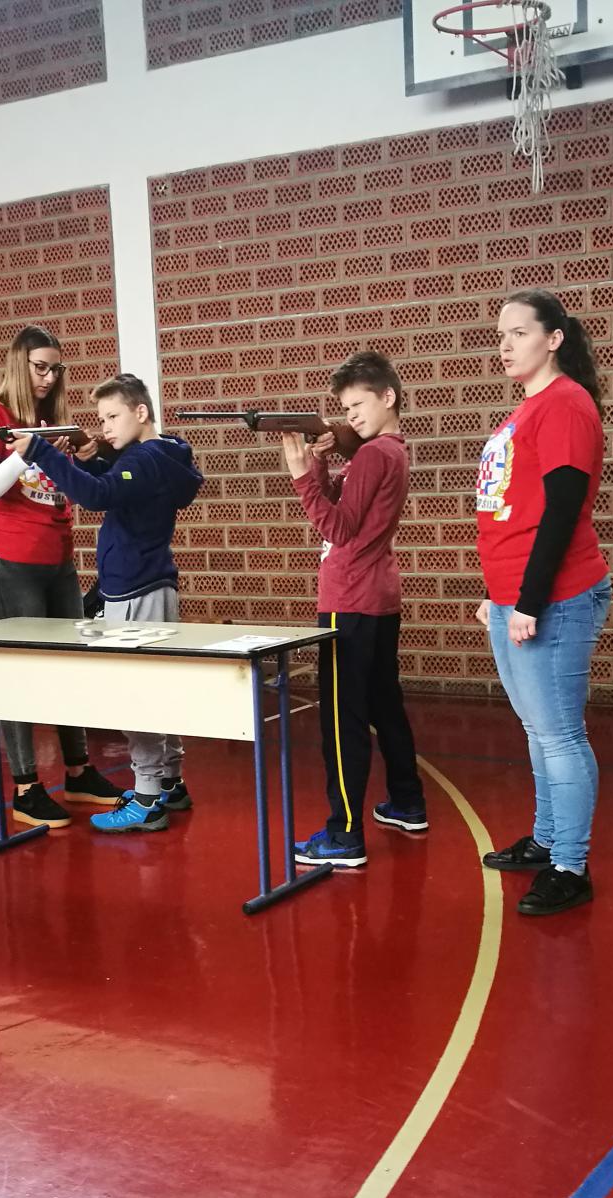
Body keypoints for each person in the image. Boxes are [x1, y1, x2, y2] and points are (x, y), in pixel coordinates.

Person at [9, 374, 202, 833]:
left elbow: (99, 495)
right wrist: (90, 460)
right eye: (101, 418)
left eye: (113, 416)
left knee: (136, 698)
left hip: (136, 592)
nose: (106, 426)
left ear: (141, 412)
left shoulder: (145, 458)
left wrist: (41, 452)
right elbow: (119, 487)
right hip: (149, 585)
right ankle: (170, 782)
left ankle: (148, 797)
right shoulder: (163, 455)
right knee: (156, 690)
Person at [474, 290, 612, 916]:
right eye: (501, 335)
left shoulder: (565, 404)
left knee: (560, 736)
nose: (505, 345)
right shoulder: (527, 409)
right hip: (515, 596)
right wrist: (499, 594)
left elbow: (561, 509)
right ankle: (548, 839)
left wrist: (529, 600)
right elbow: (516, 510)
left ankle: (570, 866)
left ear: (553, 338)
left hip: (555, 596)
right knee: (538, 731)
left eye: (519, 332)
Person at [0, 326, 123, 827]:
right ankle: (26, 786)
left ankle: (77, 771)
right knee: (22, 672)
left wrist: (83, 460)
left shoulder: (51, 419)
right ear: (19, 363)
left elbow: (67, 488)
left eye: (56, 368)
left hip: (59, 558)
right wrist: (25, 450)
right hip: (14, 562)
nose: (49, 377)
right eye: (40, 367)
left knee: (69, 666)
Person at [281, 351, 426, 869]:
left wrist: (300, 474)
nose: (351, 416)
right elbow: (346, 509)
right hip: (377, 596)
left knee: (343, 721)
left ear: (388, 397)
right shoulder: (387, 451)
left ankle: (344, 833)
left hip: (350, 601)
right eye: (345, 409)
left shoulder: (372, 456)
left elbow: (337, 529)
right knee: (385, 706)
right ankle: (407, 801)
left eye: (359, 405)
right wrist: (321, 461)